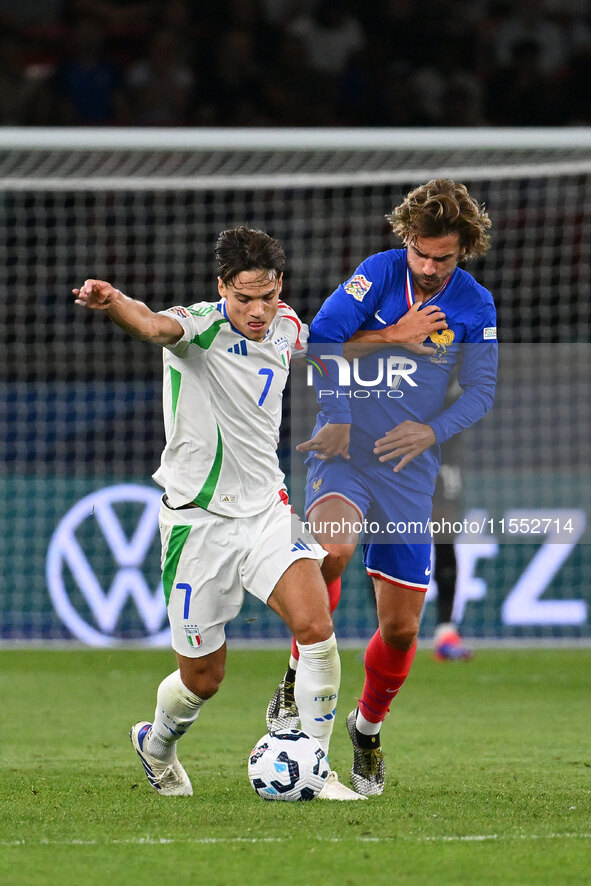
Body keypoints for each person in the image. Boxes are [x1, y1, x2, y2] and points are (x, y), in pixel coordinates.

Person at [73, 225, 364, 801]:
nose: (257, 311)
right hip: (196, 524)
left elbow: (328, 357)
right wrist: (114, 305)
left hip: (265, 513)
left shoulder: (289, 328)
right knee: (203, 679)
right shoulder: (199, 327)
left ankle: (316, 767)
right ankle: (156, 744)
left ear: (280, 287)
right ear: (222, 289)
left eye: (267, 296)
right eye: (243, 297)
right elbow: (153, 323)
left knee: (316, 629)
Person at [266, 180, 497, 795]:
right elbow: (320, 337)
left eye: (441, 258)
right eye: (420, 253)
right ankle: (295, 675)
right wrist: (378, 357)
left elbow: (481, 391)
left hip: (408, 470)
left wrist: (432, 429)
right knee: (331, 549)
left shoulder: (475, 307)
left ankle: (365, 731)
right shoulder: (377, 274)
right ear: (407, 242)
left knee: (400, 628)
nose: (427, 267)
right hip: (343, 452)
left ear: (463, 250)